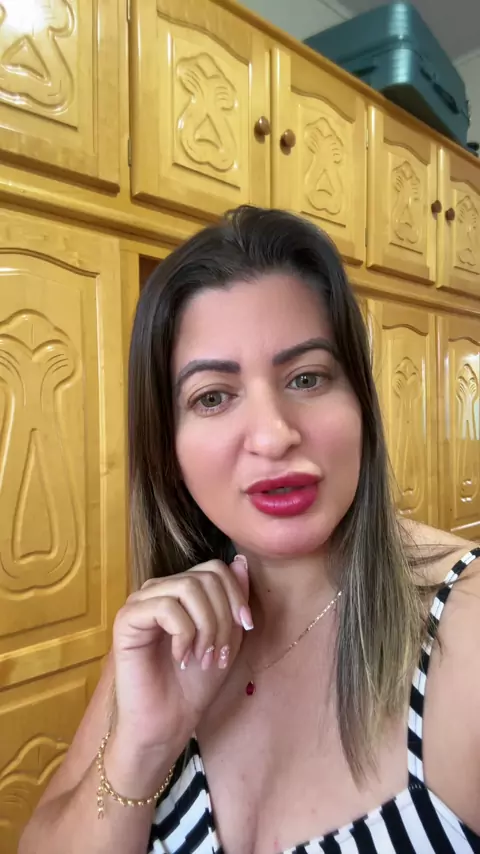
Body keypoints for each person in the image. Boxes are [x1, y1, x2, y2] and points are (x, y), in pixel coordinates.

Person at [20, 206, 480, 854]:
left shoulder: (466, 626)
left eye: (307, 378)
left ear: (361, 403)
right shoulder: (162, 635)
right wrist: (141, 748)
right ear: (168, 447)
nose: (273, 435)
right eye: (212, 396)